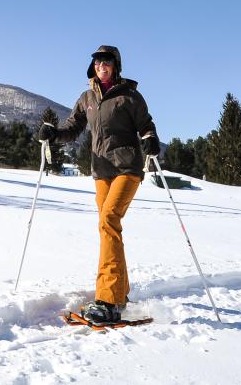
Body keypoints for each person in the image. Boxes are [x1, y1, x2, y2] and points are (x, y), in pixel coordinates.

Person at [39, 45, 159, 324]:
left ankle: (108, 300)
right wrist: (54, 133)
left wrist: (151, 138)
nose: (101, 66)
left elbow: (146, 124)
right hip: (101, 171)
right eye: (97, 62)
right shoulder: (87, 98)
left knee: (108, 220)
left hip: (127, 167)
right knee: (108, 227)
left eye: (106, 62)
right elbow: (72, 128)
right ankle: (121, 292)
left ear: (116, 65)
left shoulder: (130, 96)